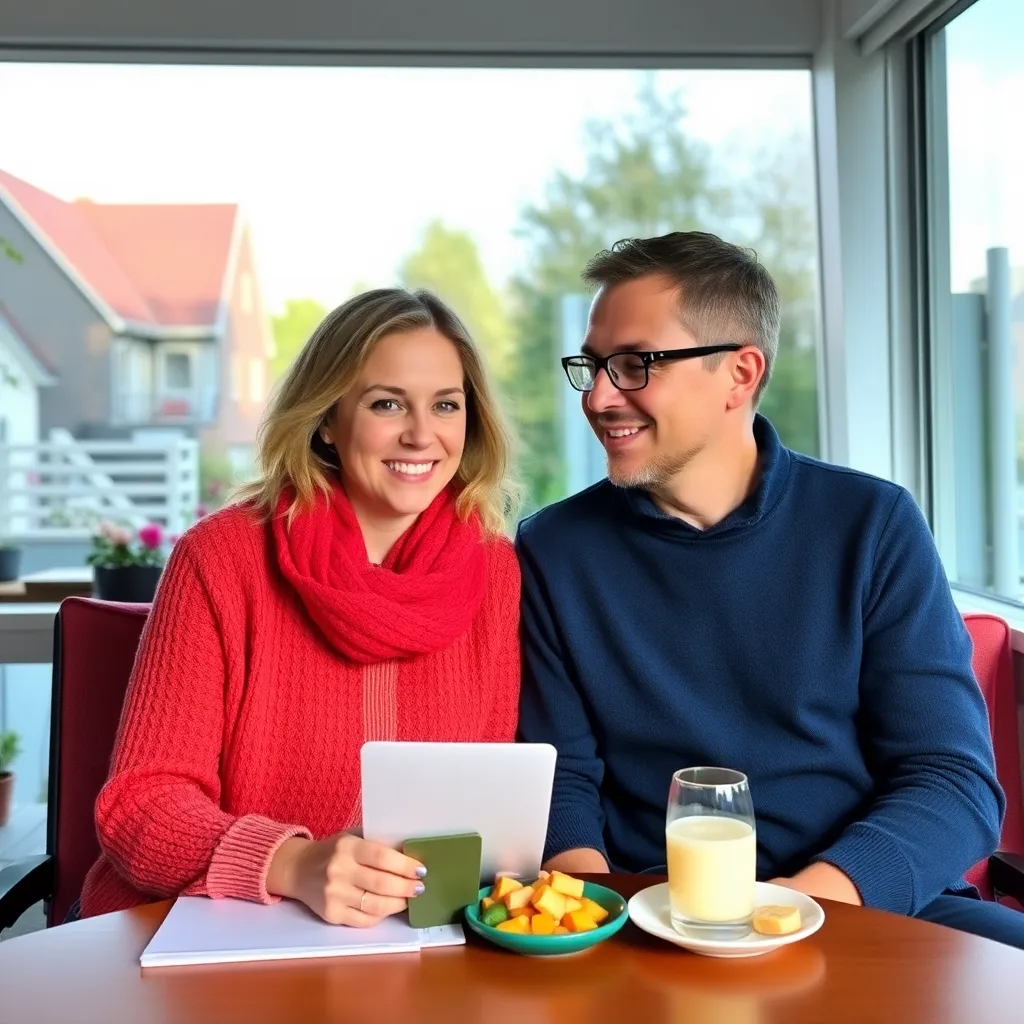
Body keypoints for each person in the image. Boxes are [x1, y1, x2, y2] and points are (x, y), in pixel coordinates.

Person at [516, 231, 1024, 948]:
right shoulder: (553, 551)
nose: (599, 397)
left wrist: (799, 906)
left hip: (862, 901)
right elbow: (560, 781)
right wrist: (592, 921)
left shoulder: (872, 524)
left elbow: (952, 782)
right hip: (648, 914)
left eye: (634, 366)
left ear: (741, 374)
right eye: (592, 366)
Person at [80, 288, 521, 926]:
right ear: (325, 420)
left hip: (409, 940)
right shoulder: (221, 558)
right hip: (209, 928)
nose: (422, 434)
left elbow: (487, 806)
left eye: (446, 405)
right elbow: (141, 805)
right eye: (387, 403)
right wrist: (290, 863)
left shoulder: (494, 569)